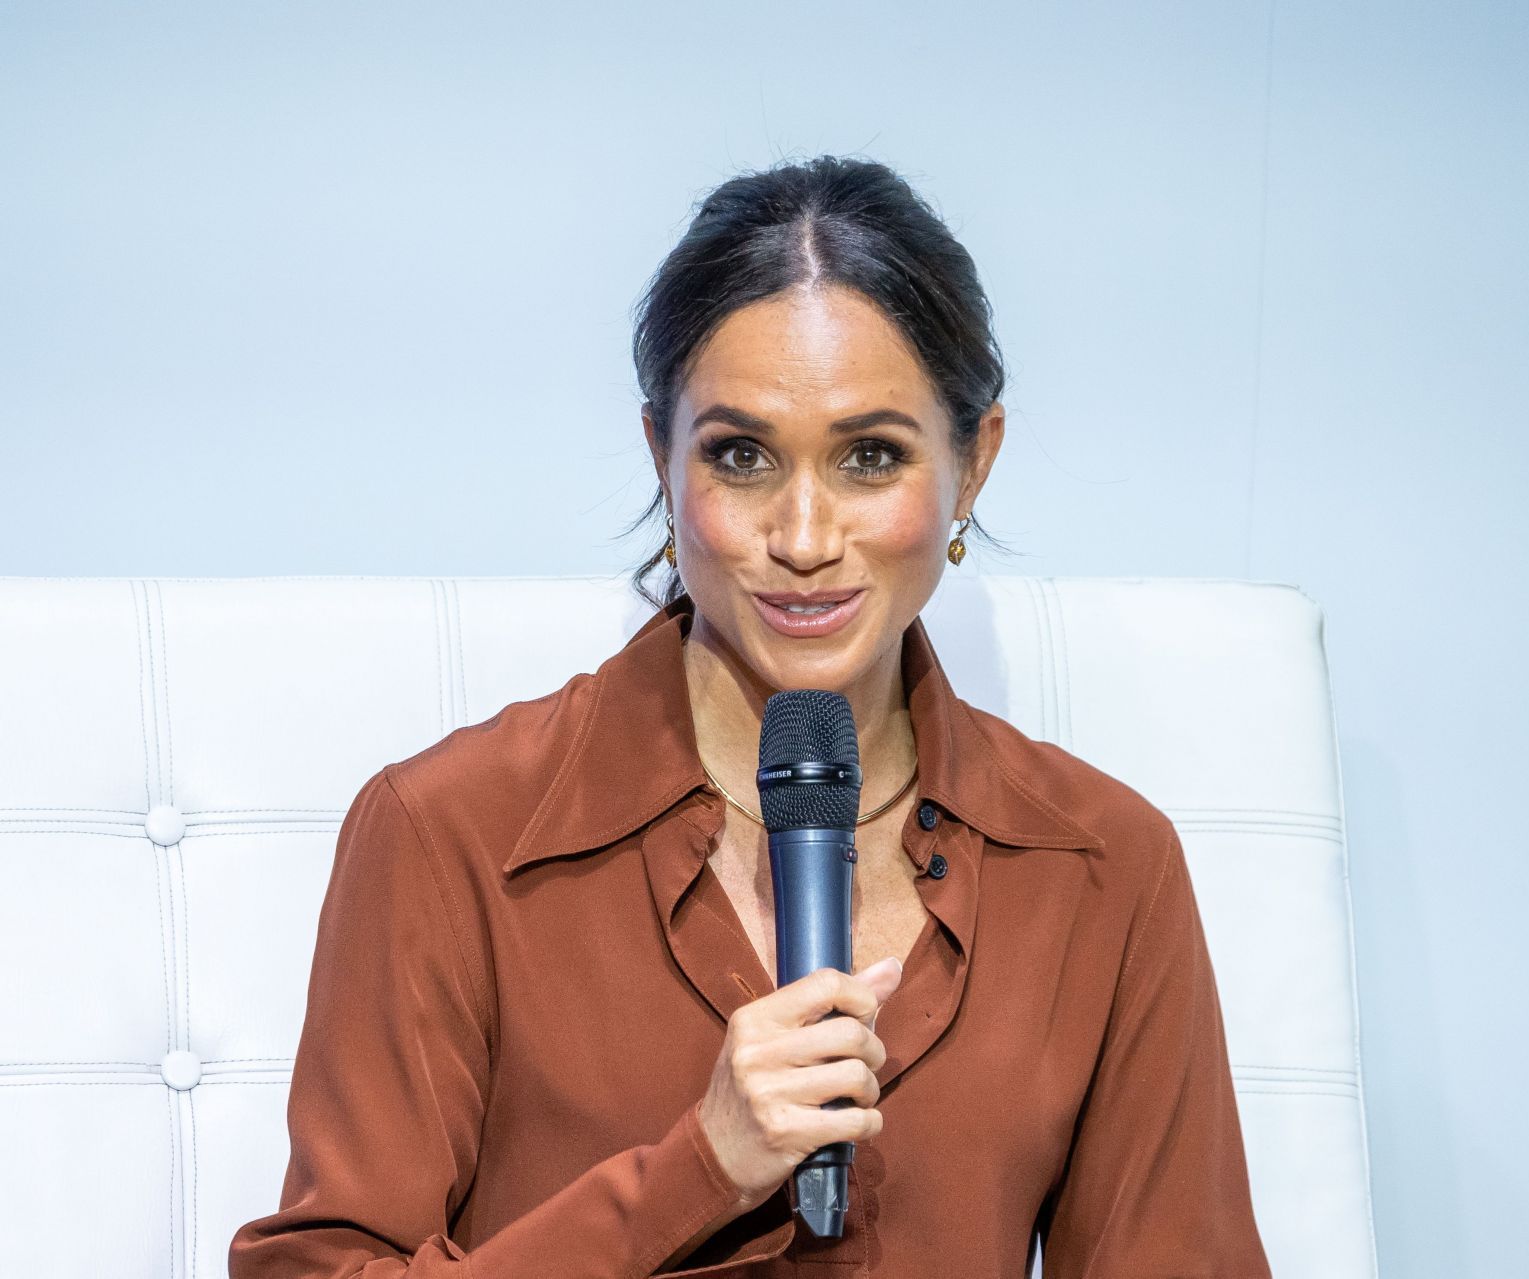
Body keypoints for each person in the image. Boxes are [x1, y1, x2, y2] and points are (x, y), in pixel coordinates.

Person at [229, 154, 1269, 1277]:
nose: (807, 536)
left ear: (974, 468)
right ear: (663, 464)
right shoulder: (450, 834)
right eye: (741, 456)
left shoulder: (1104, 867)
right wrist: (702, 1166)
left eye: (872, 457)